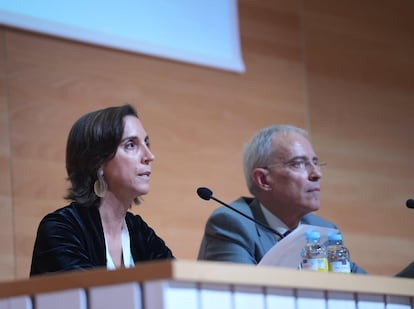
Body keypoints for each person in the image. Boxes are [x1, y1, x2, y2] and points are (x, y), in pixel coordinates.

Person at [198, 124, 366, 273]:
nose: (317, 173)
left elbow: (365, 287)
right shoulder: (232, 224)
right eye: (299, 163)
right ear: (264, 180)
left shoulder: (322, 229)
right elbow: (244, 297)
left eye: (315, 163)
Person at [30, 104, 174, 276]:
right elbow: (88, 298)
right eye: (130, 145)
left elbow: (179, 292)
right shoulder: (61, 230)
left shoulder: (140, 233)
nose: (149, 156)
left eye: (146, 143)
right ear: (97, 161)